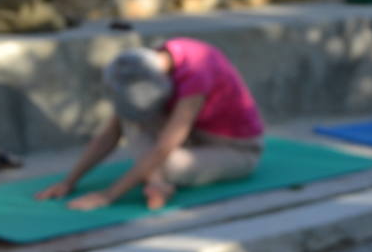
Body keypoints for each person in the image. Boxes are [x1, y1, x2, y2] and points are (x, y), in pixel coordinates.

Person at [35, 38, 264, 210]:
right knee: (131, 121)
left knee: (164, 164)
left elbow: (164, 148)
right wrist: (69, 182)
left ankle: (158, 182)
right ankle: (158, 184)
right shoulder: (145, 64)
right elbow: (110, 134)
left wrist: (108, 195)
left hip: (237, 150)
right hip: (195, 135)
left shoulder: (196, 74)